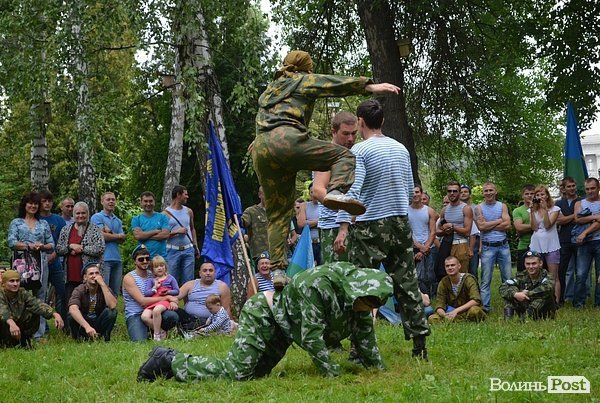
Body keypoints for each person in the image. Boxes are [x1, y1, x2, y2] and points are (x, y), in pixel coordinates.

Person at [252, 50, 401, 280]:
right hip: (287, 140)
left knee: (278, 213)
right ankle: (336, 192)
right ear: (306, 68)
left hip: (261, 148)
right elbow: (330, 84)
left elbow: (263, 123)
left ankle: (278, 270)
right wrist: (368, 86)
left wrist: (262, 143)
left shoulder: (270, 91)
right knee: (345, 157)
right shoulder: (300, 80)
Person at [137, 262, 392, 382]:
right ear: (357, 292)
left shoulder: (358, 296)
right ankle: (169, 359)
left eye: (373, 305)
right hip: (264, 314)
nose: (368, 309)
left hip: (284, 328)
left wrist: (378, 369)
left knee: (255, 375)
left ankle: (173, 367)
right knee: (237, 372)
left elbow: (365, 335)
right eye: (367, 303)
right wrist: (333, 373)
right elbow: (311, 336)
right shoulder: (317, 284)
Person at [334, 99, 430, 359]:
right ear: (383, 121)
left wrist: (343, 228)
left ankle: (358, 349)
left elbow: (353, 193)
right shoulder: (401, 149)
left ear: (360, 122)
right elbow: (410, 192)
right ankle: (420, 345)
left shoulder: (360, 151)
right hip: (400, 223)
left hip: (370, 226)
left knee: (360, 285)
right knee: (407, 283)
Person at [8, 191, 55, 340]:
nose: (33, 206)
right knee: (18, 295)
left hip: (40, 264)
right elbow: (11, 242)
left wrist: (42, 246)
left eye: (35, 204)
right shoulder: (16, 222)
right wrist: (28, 246)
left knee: (40, 296)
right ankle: (18, 331)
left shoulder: (43, 224)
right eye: (30, 203)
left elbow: (51, 244)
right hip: (20, 264)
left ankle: (39, 334)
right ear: (25, 205)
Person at [314, 111, 358, 263]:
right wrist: (345, 209)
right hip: (333, 227)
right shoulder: (328, 154)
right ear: (334, 131)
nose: (350, 138)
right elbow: (318, 190)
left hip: (355, 225)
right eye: (345, 133)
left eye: (354, 133)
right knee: (337, 274)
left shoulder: (353, 153)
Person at [122, 245, 179, 341]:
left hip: (155, 310)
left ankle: (158, 331)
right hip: (135, 314)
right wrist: (167, 298)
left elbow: (167, 289)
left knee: (172, 316)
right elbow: (142, 301)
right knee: (139, 342)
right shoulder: (129, 278)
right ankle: (159, 331)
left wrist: (172, 301)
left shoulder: (153, 274)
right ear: (134, 261)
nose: (145, 261)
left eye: (147, 259)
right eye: (141, 259)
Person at [56, 201, 105, 304]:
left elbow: (100, 248)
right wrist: (70, 247)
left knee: (88, 305)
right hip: (70, 276)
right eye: (78, 213)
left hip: (89, 277)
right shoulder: (66, 230)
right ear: (74, 215)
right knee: (71, 304)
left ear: (88, 214)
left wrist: (81, 249)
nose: (80, 216)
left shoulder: (95, 229)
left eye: (83, 213)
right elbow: (59, 249)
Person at [0, 270, 64, 348]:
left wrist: (54, 314)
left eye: (17, 281)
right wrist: (11, 323)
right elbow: (3, 311)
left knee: (34, 312)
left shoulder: (22, 292)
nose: (15, 284)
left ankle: (24, 339)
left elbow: (36, 303)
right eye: (11, 281)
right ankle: (5, 343)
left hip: (16, 324)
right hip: (4, 326)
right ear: (4, 283)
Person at [475, 182, 512, 312]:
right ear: (483, 193)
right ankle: (486, 308)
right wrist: (498, 221)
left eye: (491, 190)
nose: (488, 193)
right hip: (488, 247)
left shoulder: (502, 206)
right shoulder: (478, 208)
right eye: (486, 191)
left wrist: (488, 225)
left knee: (507, 279)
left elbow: (508, 225)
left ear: (496, 191)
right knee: (485, 280)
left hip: (503, 246)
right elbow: (481, 227)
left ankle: (509, 306)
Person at [67, 263, 117, 341]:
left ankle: (105, 338)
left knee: (111, 312)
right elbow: (73, 309)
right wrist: (87, 327)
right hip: (84, 323)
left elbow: (113, 305)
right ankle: (78, 339)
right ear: (85, 277)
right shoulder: (79, 290)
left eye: (97, 273)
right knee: (71, 315)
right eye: (91, 274)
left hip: (98, 320)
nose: (94, 276)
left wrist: (103, 284)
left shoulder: (104, 288)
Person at [427, 256, 486, 323]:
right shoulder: (443, 282)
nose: (450, 268)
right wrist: (445, 315)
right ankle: (457, 320)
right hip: (451, 312)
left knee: (475, 311)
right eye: (447, 266)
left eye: (453, 265)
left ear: (459, 266)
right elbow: (439, 305)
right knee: (432, 318)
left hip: (467, 310)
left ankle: (459, 320)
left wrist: (456, 311)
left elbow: (476, 300)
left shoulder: (468, 279)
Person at [499, 251, 556, 320]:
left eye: (534, 263)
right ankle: (508, 320)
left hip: (544, 311)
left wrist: (527, 293)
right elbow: (504, 287)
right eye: (528, 264)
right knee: (511, 293)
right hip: (526, 306)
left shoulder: (547, 276)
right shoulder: (521, 275)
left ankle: (525, 319)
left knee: (541, 297)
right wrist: (515, 294)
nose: (531, 267)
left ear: (540, 263)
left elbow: (548, 289)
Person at [529, 185, 561, 304]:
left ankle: (555, 302)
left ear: (547, 195)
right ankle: (538, 301)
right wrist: (532, 212)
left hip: (551, 245)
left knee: (553, 276)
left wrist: (545, 210)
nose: (540, 197)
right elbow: (534, 227)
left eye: (542, 194)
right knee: (537, 275)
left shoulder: (555, 209)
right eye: (537, 195)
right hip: (536, 245)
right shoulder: (533, 210)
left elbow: (548, 225)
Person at [38, 190, 67, 322]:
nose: (47, 203)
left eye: (49, 201)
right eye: (44, 201)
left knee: (63, 292)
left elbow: (64, 241)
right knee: (41, 295)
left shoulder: (59, 220)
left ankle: (65, 323)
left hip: (56, 263)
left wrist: (54, 255)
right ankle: (42, 326)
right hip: (39, 263)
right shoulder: (36, 219)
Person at [91, 191, 126, 296]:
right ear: (102, 202)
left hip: (117, 259)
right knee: (103, 291)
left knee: (115, 293)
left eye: (113, 199)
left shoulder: (118, 220)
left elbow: (123, 239)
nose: (111, 202)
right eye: (108, 199)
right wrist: (117, 236)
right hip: (104, 259)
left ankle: (113, 308)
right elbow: (101, 236)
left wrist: (109, 232)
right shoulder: (97, 217)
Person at [177, 262, 231, 330]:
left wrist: (230, 324)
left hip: (209, 321)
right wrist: (173, 302)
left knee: (198, 324)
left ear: (215, 273)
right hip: (188, 317)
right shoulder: (190, 284)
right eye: (205, 270)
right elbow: (175, 297)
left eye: (210, 270)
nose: (208, 273)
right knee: (174, 311)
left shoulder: (222, 286)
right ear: (200, 273)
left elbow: (226, 309)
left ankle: (188, 329)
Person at [572, 178, 600, 308]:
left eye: (592, 188)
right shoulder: (579, 203)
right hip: (584, 244)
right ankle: (579, 304)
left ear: (598, 188)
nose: (590, 191)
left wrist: (585, 232)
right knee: (581, 274)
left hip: (598, 241)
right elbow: (577, 219)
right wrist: (596, 217)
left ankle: (598, 304)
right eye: (587, 189)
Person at [164, 185, 200, 286]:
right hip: (172, 251)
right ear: (178, 195)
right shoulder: (165, 214)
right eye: (185, 194)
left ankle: (188, 297)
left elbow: (192, 229)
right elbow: (162, 235)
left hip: (188, 250)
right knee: (171, 280)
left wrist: (195, 245)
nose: (187, 197)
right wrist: (176, 231)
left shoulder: (189, 211)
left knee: (188, 281)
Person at [436, 181, 473, 273]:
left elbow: (467, 232)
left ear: (459, 192)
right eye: (449, 191)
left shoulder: (466, 208)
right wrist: (445, 230)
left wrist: (453, 227)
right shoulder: (444, 209)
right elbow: (438, 231)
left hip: (461, 245)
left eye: (455, 191)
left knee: (461, 274)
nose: (452, 193)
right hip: (446, 245)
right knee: (445, 274)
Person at [141, 256, 180, 341]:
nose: (159, 268)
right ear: (152, 270)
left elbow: (177, 291)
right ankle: (162, 331)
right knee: (144, 317)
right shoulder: (151, 280)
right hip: (153, 301)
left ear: (165, 267)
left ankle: (156, 335)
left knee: (157, 310)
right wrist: (155, 287)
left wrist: (168, 292)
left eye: (162, 266)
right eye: (156, 266)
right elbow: (146, 293)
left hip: (165, 301)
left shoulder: (170, 278)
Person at [555, 177, 580, 305]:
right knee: (564, 270)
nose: (571, 188)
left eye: (573, 185)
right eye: (568, 186)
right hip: (564, 240)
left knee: (581, 270)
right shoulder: (559, 204)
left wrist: (567, 218)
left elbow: (582, 219)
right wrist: (575, 216)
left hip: (580, 239)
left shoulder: (582, 201)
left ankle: (582, 296)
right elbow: (559, 221)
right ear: (564, 189)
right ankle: (565, 297)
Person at [407, 185, 437, 296]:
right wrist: (419, 247)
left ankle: (431, 298)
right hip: (412, 247)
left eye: (417, 192)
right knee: (416, 276)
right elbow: (406, 232)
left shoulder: (429, 211)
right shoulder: (405, 211)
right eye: (412, 192)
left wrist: (425, 247)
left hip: (428, 247)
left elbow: (433, 231)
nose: (415, 195)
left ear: (421, 193)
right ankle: (418, 298)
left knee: (429, 276)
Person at [131, 191, 170, 259]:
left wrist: (144, 235)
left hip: (161, 258)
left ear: (154, 202)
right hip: (144, 259)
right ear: (141, 203)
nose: (148, 203)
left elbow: (165, 235)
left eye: (151, 201)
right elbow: (138, 236)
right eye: (145, 201)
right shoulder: (136, 219)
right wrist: (156, 231)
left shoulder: (163, 217)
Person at [296, 183, 322, 265]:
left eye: (316, 192)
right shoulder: (304, 206)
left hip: (322, 242)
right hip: (309, 243)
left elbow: (328, 221)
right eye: (312, 192)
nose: (314, 195)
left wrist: (309, 222)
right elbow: (301, 223)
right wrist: (318, 221)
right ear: (309, 193)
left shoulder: (325, 206)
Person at [241, 187, 270, 261]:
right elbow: (240, 223)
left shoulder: (277, 212)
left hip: (277, 255)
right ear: (260, 195)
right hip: (259, 255)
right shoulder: (251, 211)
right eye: (266, 194)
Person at [512, 184, 535, 272]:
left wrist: (527, 227)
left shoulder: (541, 209)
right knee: (522, 274)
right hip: (524, 246)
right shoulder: (518, 210)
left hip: (540, 246)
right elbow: (519, 227)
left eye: (532, 193)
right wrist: (535, 226)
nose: (529, 196)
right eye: (527, 194)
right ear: (522, 196)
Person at [460, 185, 480, 278]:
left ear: (470, 194)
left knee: (473, 270)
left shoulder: (476, 208)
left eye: (465, 192)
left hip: (474, 240)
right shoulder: (456, 208)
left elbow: (480, 226)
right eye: (461, 192)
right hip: (460, 241)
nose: (463, 194)